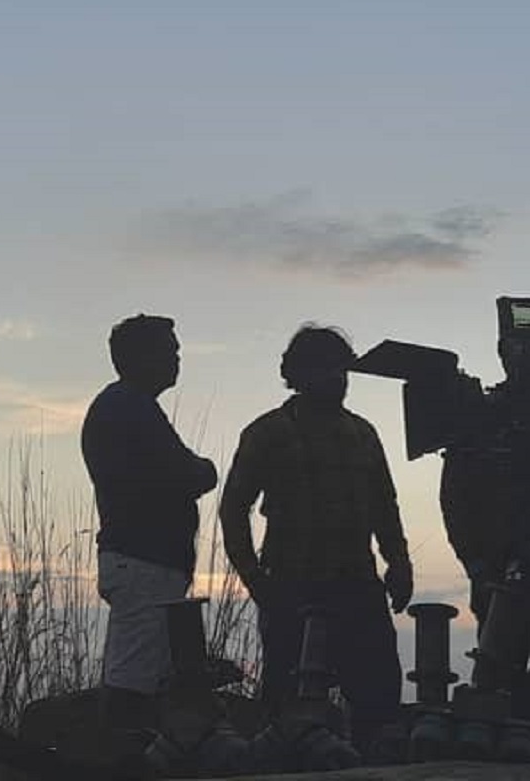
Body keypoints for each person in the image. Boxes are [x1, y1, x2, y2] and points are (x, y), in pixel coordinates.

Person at [219, 325, 412, 752]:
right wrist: (257, 580)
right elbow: (233, 510)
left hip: (358, 585)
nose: (337, 378)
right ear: (298, 374)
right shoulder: (267, 433)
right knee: (287, 707)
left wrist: (399, 564)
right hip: (291, 586)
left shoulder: (363, 434)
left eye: (342, 369)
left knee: (380, 700)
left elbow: (385, 506)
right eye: (325, 368)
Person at [80, 314, 219, 733]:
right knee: (133, 683)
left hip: (143, 560)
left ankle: (132, 750)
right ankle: (121, 755)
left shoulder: (127, 406)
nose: (177, 359)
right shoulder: (130, 407)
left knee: (142, 675)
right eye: (168, 351)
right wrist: (205, 469)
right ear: (140, 357)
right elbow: (185, 472)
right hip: (144, 561)